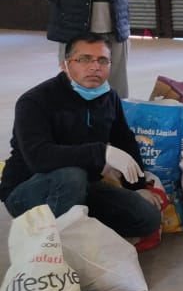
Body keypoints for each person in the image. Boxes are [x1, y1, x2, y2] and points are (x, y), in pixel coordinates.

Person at [0, 34, 161, 248]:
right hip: (28, 190)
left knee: (147, 217)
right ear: (65, 65)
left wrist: (138, 187)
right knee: (71, 173)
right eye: (84, 59)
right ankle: (56, 249)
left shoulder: (109, 97)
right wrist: (101, 152)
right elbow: (38, 158)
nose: (95, 67)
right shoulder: (35, 101)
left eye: (102, 60)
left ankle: (78, 227)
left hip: (82, 186)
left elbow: (124, 141)